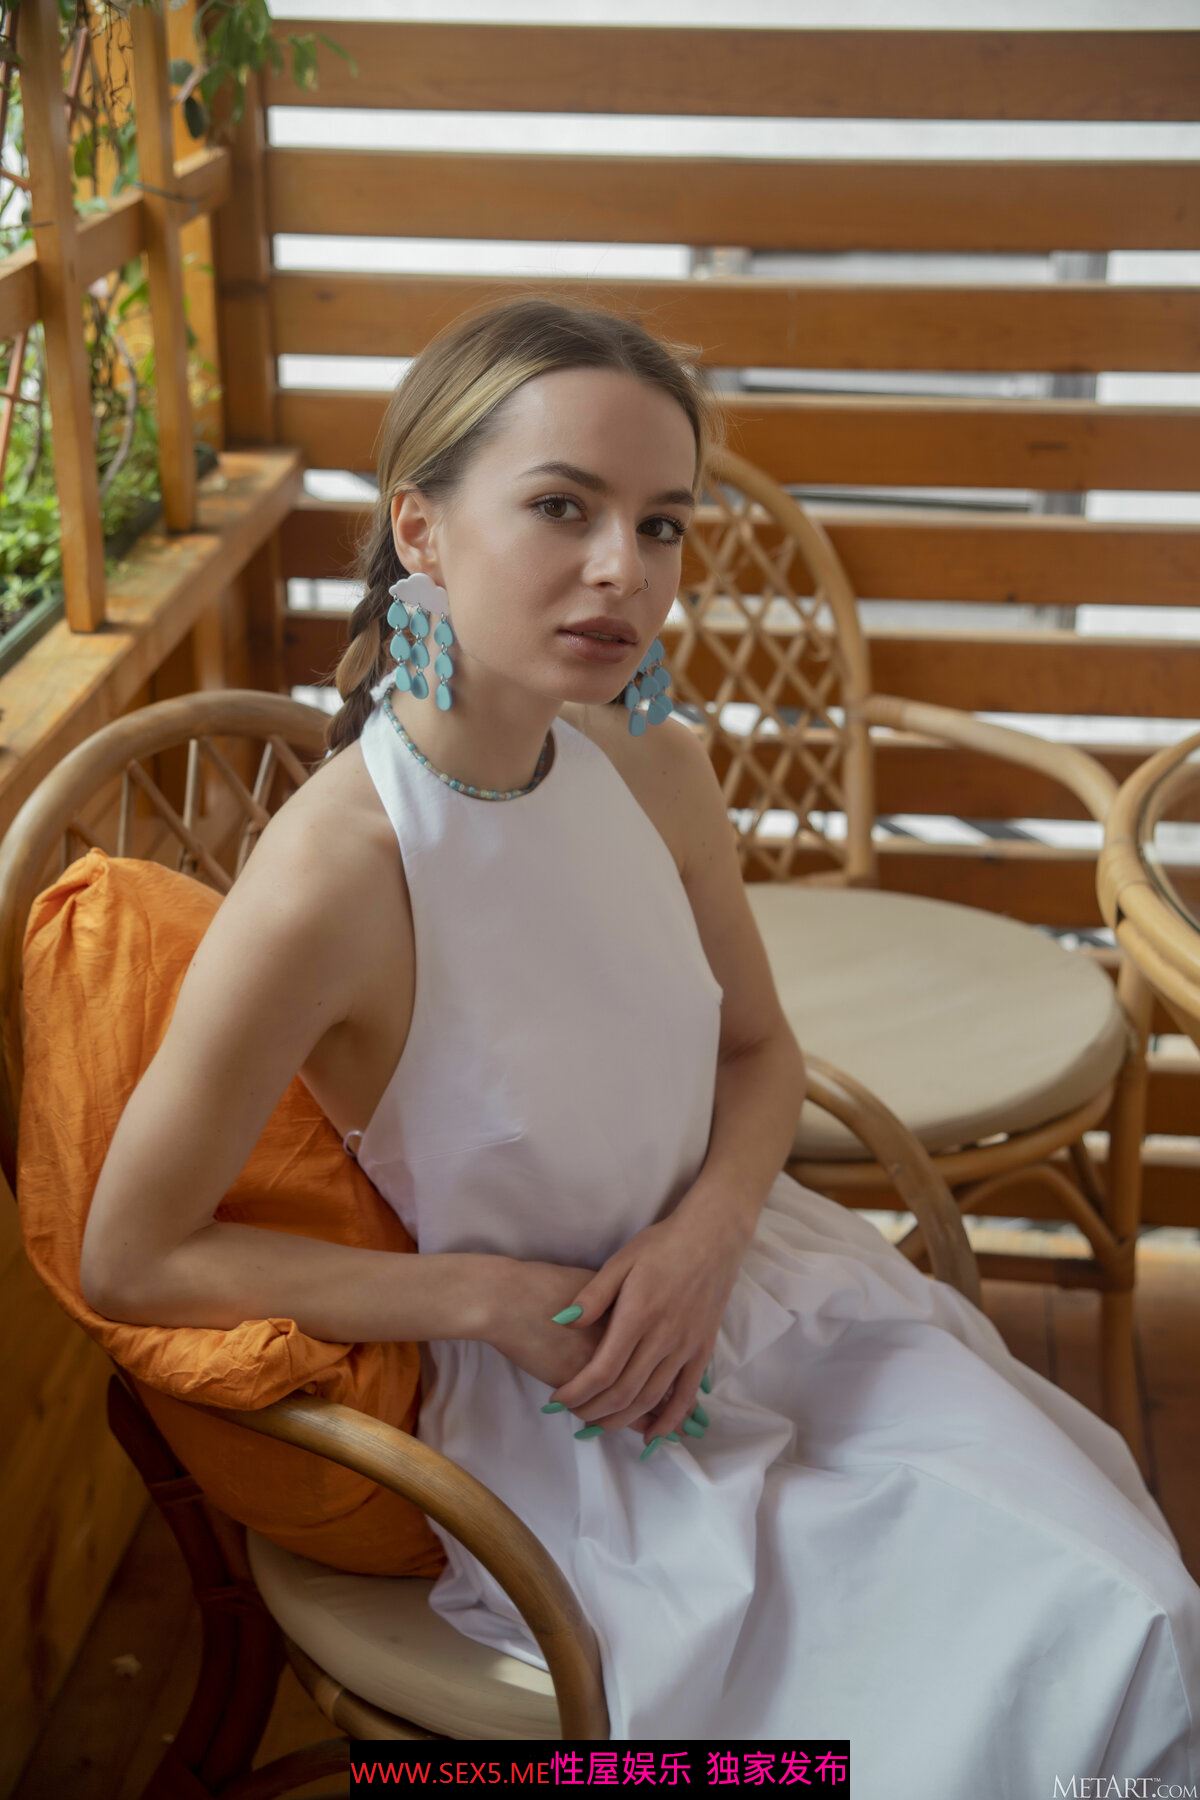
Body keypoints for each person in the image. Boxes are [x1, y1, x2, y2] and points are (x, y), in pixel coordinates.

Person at [82, 295, 1199, 1789]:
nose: (627, 569)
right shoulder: (336, 877)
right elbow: (131, 1253)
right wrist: (485, 1298)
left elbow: (761, 1054)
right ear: (421, 531)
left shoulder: (653, 762)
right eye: (563, 506)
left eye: (662, 523)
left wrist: (706, 1239)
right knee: (1017, 1667)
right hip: (583, 1412)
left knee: (1136, 1607)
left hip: (762, 1288)